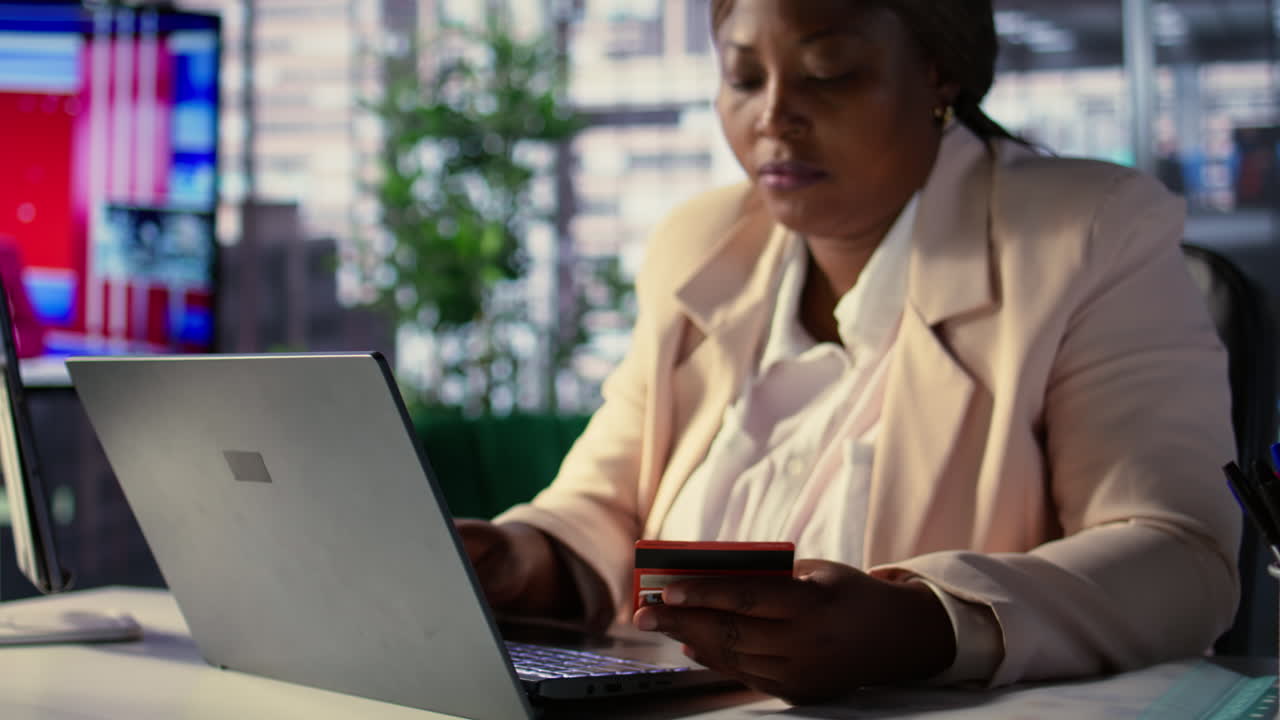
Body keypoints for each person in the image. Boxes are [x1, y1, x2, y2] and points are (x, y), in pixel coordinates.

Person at [457, 0, 1241, 704]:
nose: (773, 115)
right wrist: (521, 556)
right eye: (743, 77)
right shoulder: (701, 244)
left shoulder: (1089, 233)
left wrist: (922, 623)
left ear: (938, 73)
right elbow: (606, 500)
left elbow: (1180, 560)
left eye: (828, 72)